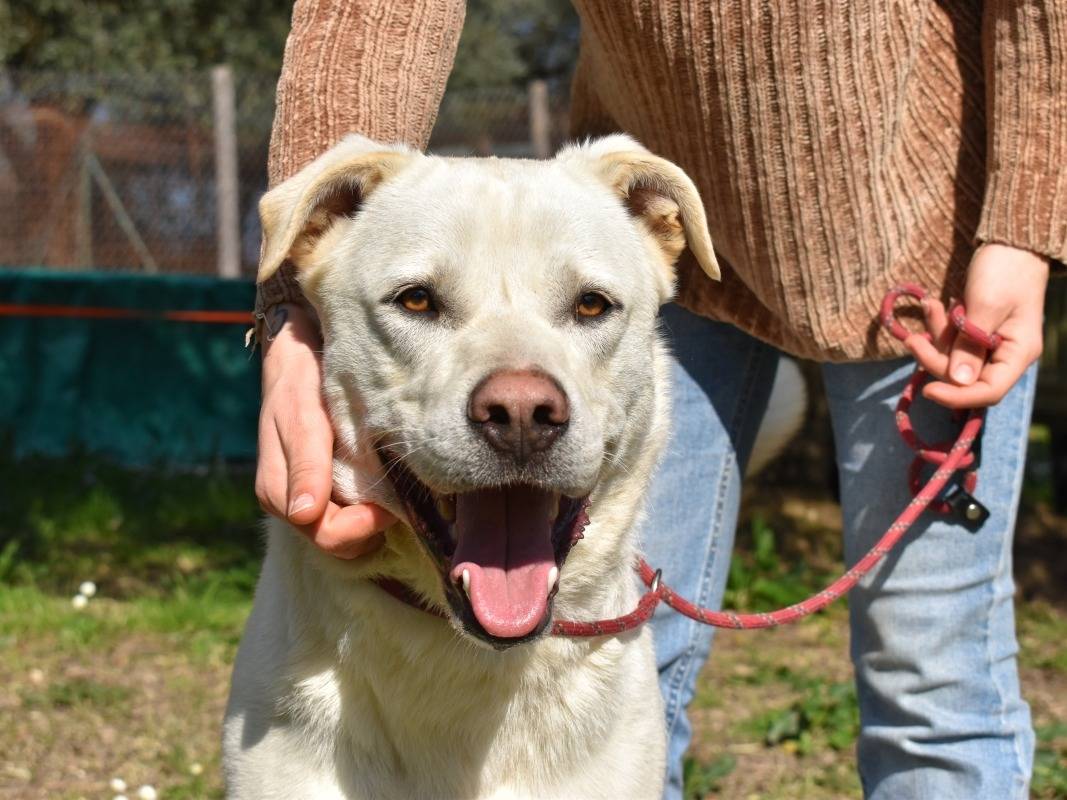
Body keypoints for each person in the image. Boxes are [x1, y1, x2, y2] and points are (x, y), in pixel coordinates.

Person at [252, 3, 1064, 798]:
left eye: (587, 309)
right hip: (639, 193)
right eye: (423, 301)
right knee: (649, 642)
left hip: (927, 219)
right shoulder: (613, 227)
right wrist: (293, 310)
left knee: (933, 676)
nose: (520, 400)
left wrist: (1024, 225)